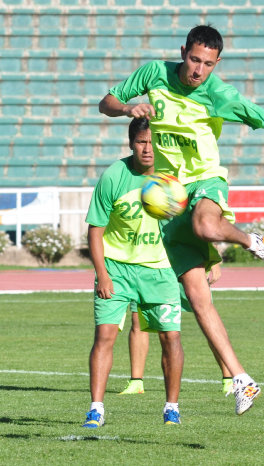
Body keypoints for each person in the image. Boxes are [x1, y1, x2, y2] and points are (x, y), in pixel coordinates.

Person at [98, 25, 264, 415]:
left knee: (207, 226)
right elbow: (105, 102)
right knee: (197, 297)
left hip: (206, 183)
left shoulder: (218, 93)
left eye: (208, 64)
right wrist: (127, 108)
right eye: (194, 60)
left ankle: (255, 242)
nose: (198, 71)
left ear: (216, 63)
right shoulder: (153, 73)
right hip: (171, 199)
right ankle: (242, 379)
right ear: (183, 52)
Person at [83, 117, 185, 427]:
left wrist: (209, 260)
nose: (147, 149)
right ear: (131, 143)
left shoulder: (172, 177)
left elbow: (191, 223)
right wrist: (102, 273)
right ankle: (96, 408)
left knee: (171, 337)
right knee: (105, 335)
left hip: (159, 270)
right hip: (117, 268)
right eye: (141, 142)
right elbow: (95, 230)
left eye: (153, 142)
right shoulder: (115, 175)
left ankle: (172, 407)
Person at [118, 262, 234, 397]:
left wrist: (214, 262)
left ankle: (229, 379)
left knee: (208, 320)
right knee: (138, 319)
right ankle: (136, 382)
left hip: (183, 263)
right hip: (148, 268)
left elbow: (204, 239)